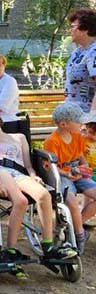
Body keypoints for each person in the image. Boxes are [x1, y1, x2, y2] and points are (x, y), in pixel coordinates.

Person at [0, 106, 78, 269]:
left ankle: (47, 245)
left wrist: (33, 175)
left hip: (19, 175)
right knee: (20, 200)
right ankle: (10, 249)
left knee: (44, 195)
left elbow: (27, 165)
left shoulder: (19, 138)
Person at [42, 102, 95, 253]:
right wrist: (67, 173)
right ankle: (78, 236)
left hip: (77, 173)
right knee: (72, 203)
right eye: (78, 121)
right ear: (64, 124)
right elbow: (50, 168)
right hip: (61, 175)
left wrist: (85, 168)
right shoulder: (52, 141)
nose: (82, 124)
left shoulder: (77, 136)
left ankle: (75, 226)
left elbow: (79, 156)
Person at [65, 8, 96, 112]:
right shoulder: (77, 52)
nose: (70, 30)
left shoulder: (93, 52)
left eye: (73, 27)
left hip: (87, 119)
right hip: (74, 117)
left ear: (84, 30)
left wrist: (91, 119)